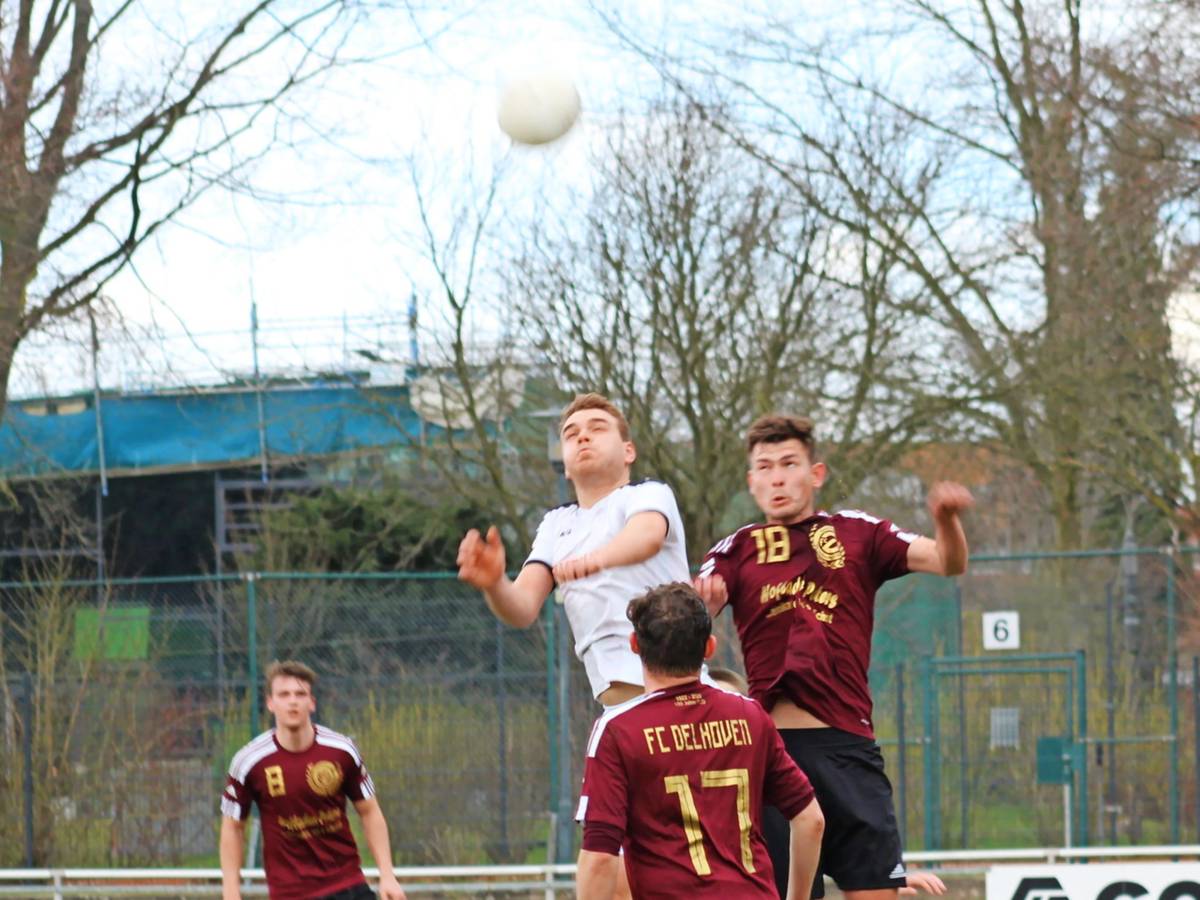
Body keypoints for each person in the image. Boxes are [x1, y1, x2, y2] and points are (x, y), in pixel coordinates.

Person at [696, 415, 972, 900]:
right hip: (775, 754)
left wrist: (946, 520)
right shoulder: (734, 551)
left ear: (815, 473)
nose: (777, 477)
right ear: (751, 481)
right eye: (765, 467)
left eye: (789, 464)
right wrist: (706, 604)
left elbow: (949, 562)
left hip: (849, 748)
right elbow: (691, 620)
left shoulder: (857, 533)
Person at [575, 582, 825, 900]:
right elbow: (810, 819)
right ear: (709, 648)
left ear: (635, 644)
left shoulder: (617, 730)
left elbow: (599, 858)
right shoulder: (752, 716)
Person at [457, 392, 690, 707]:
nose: (583, 436)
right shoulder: (556, 523)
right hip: (618, 705)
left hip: (679, 695)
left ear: (628, 452)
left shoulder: (648, 493)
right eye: (571, 433)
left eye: (598, 428)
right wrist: (495, 584)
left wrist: (594, 560)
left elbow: (646, 537)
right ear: (565, 465)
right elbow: (523, 607)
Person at [220, 660, 406, 900]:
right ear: (270, 703)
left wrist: (387, 875)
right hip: (290, 894)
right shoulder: (248, 762)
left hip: (347, 886)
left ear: (312, 703)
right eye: (284, 694)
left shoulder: (342, 750)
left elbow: (369, 811)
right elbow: (233, 827)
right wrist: (231, 891)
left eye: (300, 694)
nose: (293, 701)